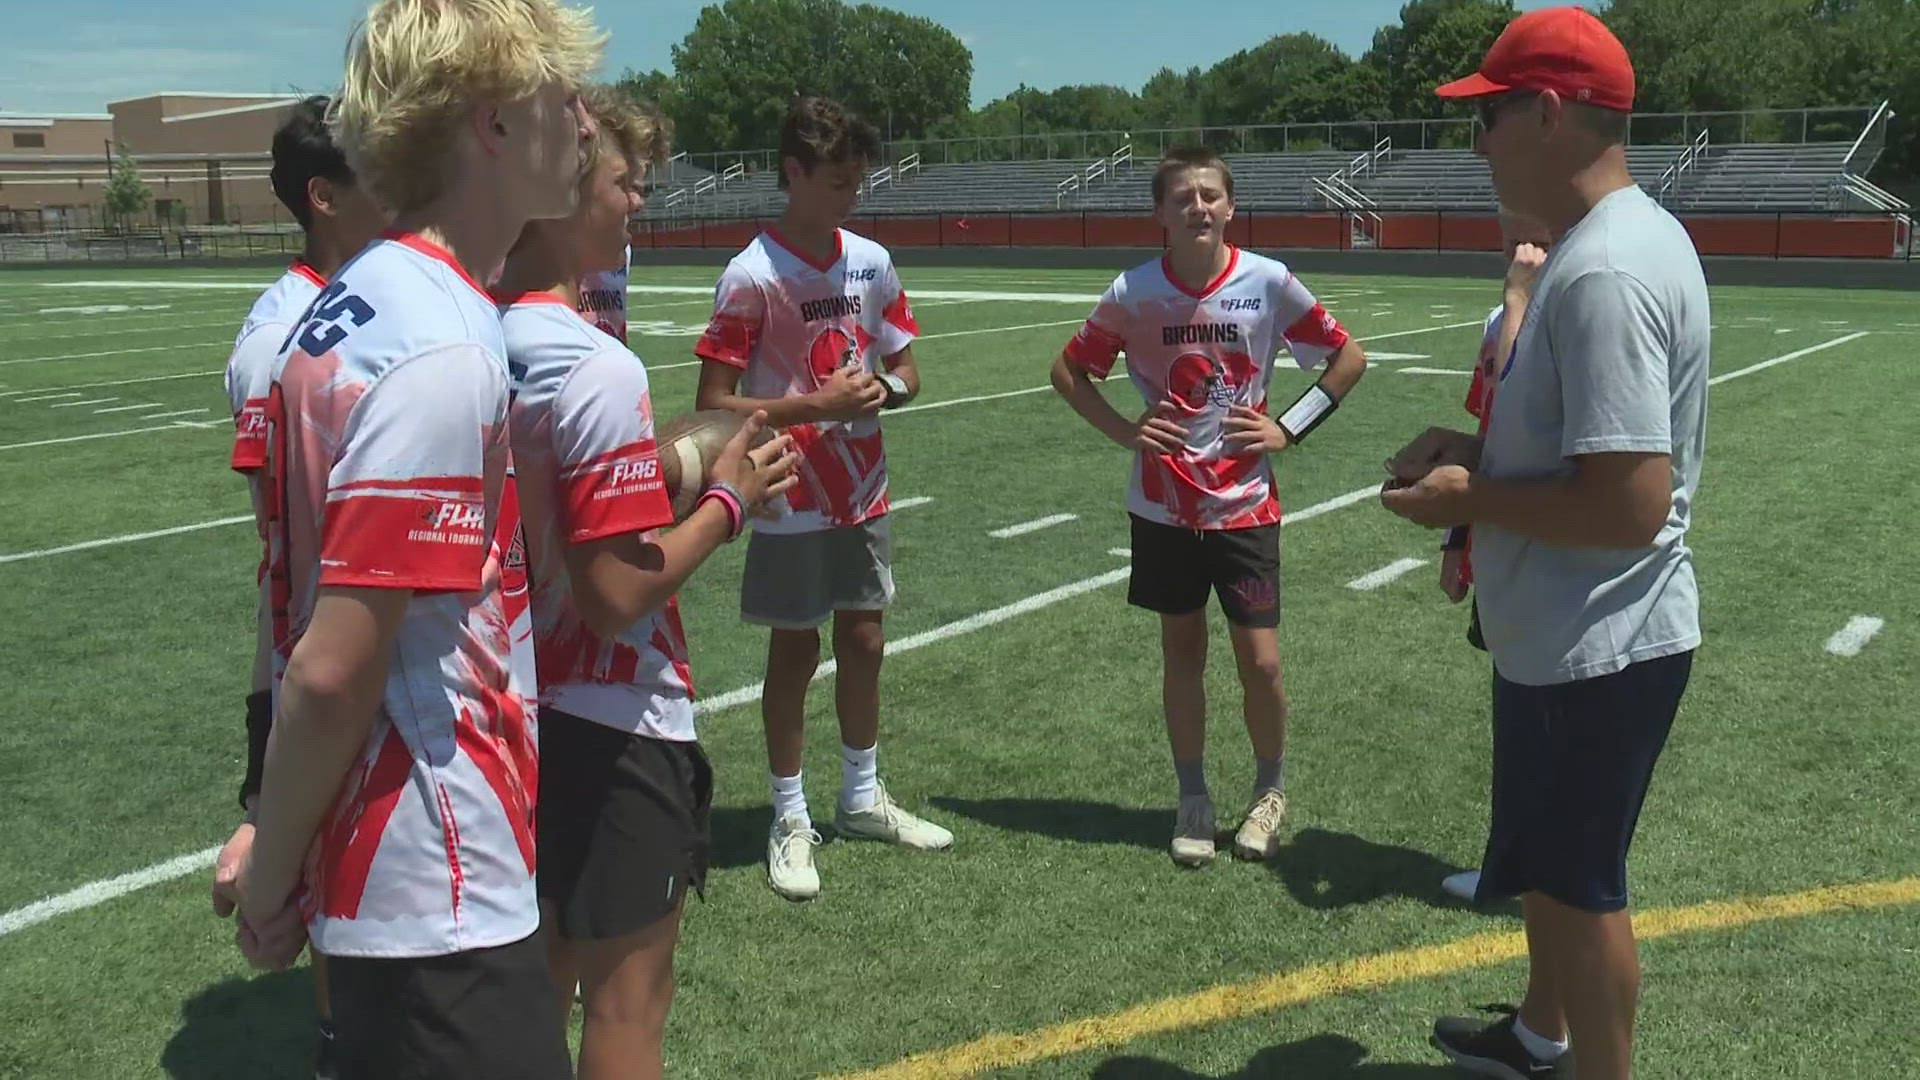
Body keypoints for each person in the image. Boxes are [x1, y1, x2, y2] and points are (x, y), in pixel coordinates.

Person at [235, 2, 604, 1076]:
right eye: (561, 97)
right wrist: (273, 882)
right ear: (490, 121)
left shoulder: (360, 305)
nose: (583, 122)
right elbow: (335, 664)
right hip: (432, 885)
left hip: (403, 882)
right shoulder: (442, 342)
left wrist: (276, 828)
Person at [1382, 8, 1709, 1078]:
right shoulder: (1602, 246)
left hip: (1597, 639)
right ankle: (1538, 1038)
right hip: (1572, 632)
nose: (1476, 145)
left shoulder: (1605, 267)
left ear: (1552, 114)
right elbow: (1585, 454)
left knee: (1578, 892)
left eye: (1489, 116)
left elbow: (1627, 503)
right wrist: (1476, 446)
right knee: (1556, 876)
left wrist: (1467, 494)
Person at [496, 85, 798, 1080]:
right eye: (627, 184)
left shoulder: (475, 332)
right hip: (614, 716)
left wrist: (671, 463)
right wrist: (730, 497)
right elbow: (617, 591)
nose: (639, 207)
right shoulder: (590, 361)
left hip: (511, 705)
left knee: (535, 985)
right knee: (628, 1005)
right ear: (565, 187)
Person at [1050, 146, 1368, 867]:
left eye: (1210, 195)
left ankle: (1269, 792)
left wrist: (1290, 425)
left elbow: (1348, 357)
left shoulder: (1268, 282)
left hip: (1246, 508)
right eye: (1183, 197)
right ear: (1160, 213)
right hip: (1163, 510)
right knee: (1182, 653)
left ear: (1230, 206)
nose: (1198, 207)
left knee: (1261, 663)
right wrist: (1126, 432)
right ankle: (1192, 796)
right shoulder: (1133, 292)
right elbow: (1069, 370)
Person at [693, 95, 951, 902]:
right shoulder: (752, 276)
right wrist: (815, 407)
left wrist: (883, 390)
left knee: (867, 640)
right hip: (788, 493)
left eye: (856, 181)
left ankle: (861, 796)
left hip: (864, 490)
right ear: (793, 173)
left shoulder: (871, 262)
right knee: (796, 651)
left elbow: (909, 369)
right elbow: (711, 403)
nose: (851, 196)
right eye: (836, 181)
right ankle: (789, 814)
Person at [208, 94, 387, 1079]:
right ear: (324, 197)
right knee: (333, 872)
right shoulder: (278, 339)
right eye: (375, 167)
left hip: (385, 635)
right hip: (323, 644)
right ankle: (338, 1045)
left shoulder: (399, 290)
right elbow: (285, 521)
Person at [1438, 209, 1549, 905]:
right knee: (1516, 716)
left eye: (1533, 236)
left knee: (1544, 724)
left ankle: (1536, 874)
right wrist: (1458, 539)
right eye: (1510, 237)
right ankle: (1512, 865)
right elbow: (1487, 432)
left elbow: (1516, 415)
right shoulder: (1496, 319)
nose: (1521, 249)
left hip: (1554, 541)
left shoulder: (1557, 313)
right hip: (1505, 539)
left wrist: (1518, 301)